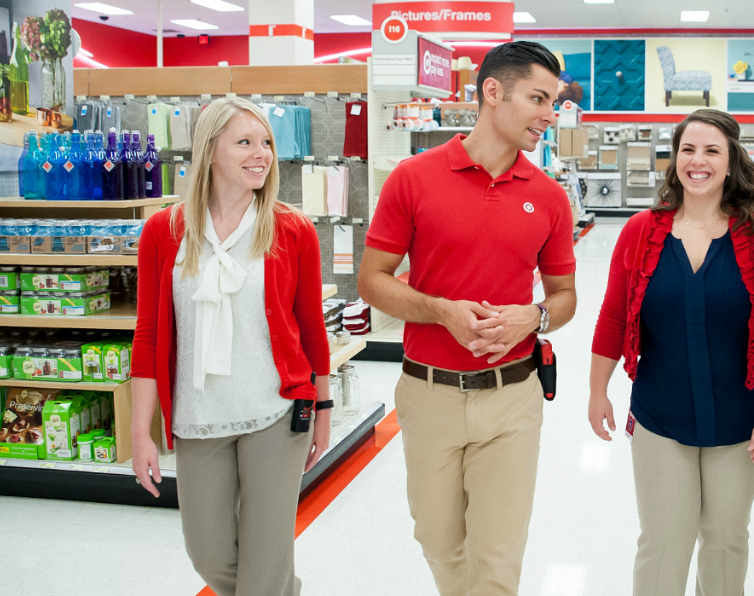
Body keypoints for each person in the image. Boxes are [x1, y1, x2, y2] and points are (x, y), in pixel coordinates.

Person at [358, 41, 578, 596]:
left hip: (513, 396)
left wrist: (533, 317)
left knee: (498, 558)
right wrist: (438, 311)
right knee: (436, 539)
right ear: (492, 92)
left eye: (552, 101)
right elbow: (372, 280)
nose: (550, 114)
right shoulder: (413, 177)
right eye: (538, 98)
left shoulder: (549, 198)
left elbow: (565, 294)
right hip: (427, 392)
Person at [590, 109, 754, 595]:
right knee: (664, 542)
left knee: (727, 540)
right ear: (675, 159)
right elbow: (614, 316)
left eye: (712, 151)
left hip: (740, 418)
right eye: (688, 149)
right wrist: (597, 390)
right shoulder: (641, 232)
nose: (698, 161)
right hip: (660, 416)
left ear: (732, 163)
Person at [130, 97, 332, 596]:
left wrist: (323, 408)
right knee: (208, 553)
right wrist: (141, 431)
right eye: (244, 142)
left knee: (265, 566)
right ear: (209, 151)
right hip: (198, 417)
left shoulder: (292, 229)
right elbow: (148, 334)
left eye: (265, 142)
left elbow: (311, 327)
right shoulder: (165, 230)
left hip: (275, 412)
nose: (261, 154)